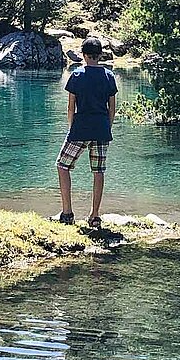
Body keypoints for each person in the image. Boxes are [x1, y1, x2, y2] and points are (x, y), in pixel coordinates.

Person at [56, 36, 118, 229]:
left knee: (62, 165)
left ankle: (67, 213)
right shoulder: (109, 76)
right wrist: (107, 127)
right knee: (98, 171)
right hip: (101, 130)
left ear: (83, 55)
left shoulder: (77, 75)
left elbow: (70, 106)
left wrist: (71, 128)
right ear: (100, 55)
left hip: (80, 129)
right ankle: (95, 215)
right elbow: (112, 108)